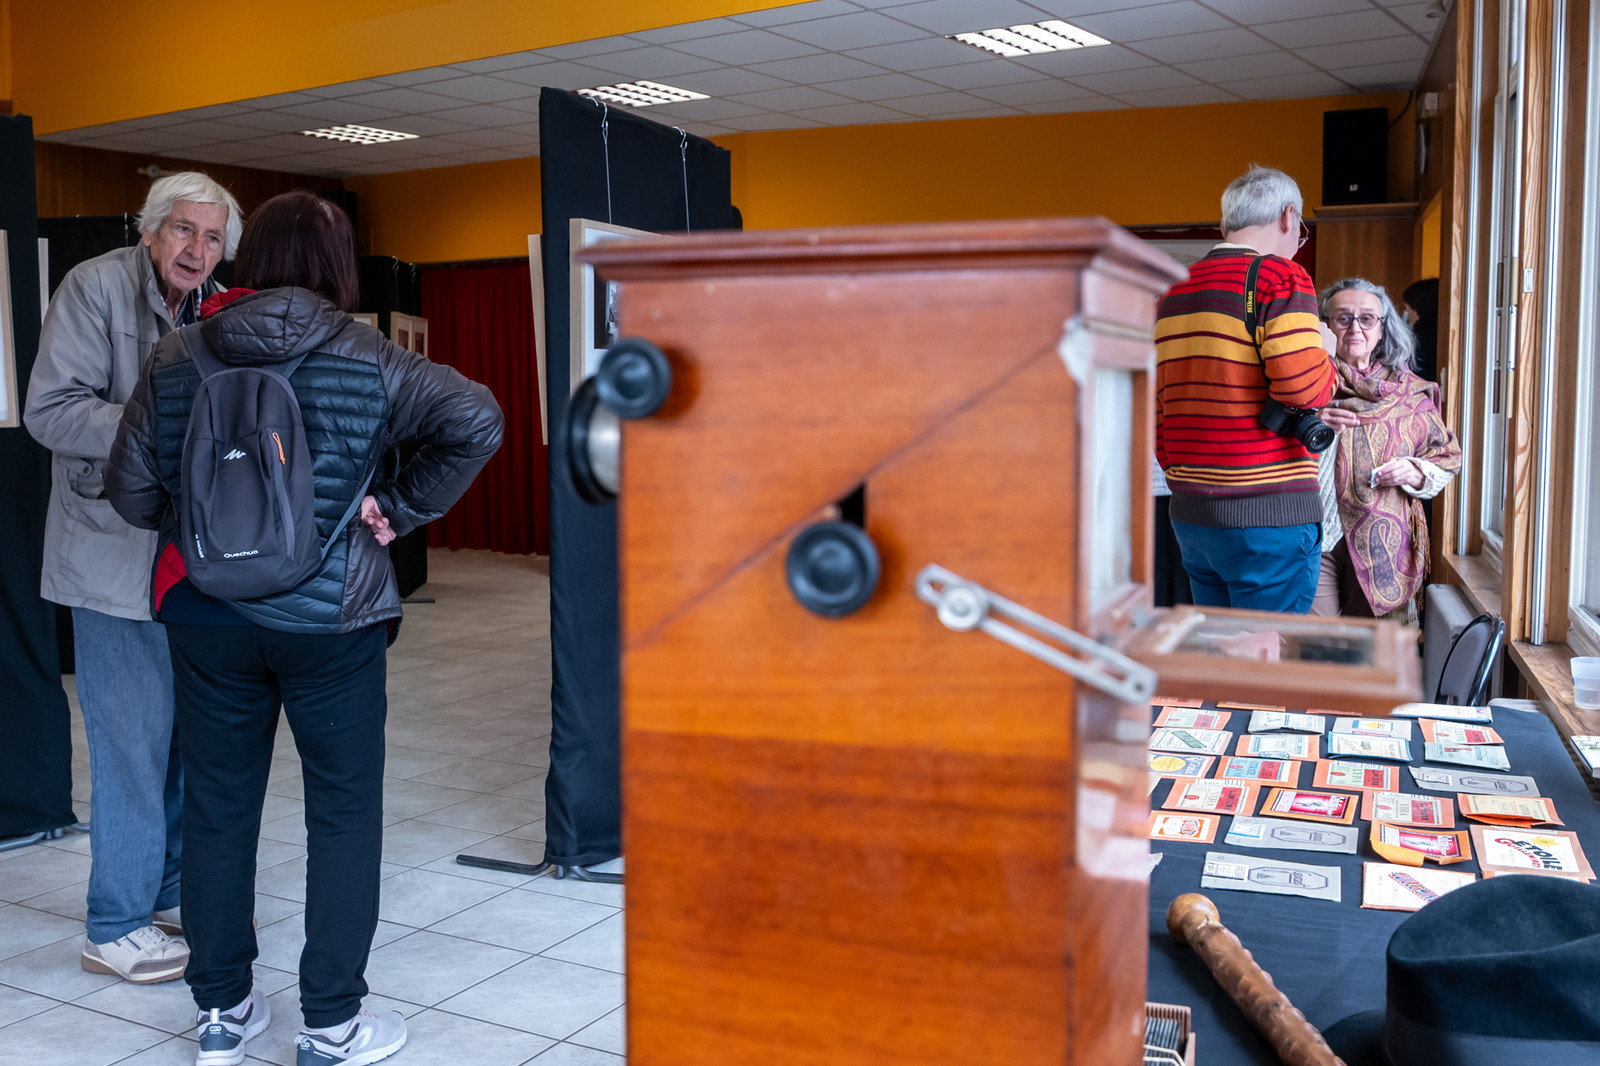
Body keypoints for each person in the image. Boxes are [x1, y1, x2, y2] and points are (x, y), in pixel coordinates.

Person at [105, 191, 504, 1066]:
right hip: (334, 620)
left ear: (246, 259)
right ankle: (330, 1023)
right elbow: (479, 419)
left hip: (207, 618)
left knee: (216, 809)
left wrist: (202, 519)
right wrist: (395, 507)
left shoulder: (177, 356)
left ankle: (221, 1014)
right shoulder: (367, 355)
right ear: (338, 267)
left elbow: (129, 492)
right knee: (345, 813)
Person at [24, 171, 242, 983]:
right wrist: (166, 423)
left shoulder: (213, 302)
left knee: (185, 741)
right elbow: (50, 411)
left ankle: (170, 894)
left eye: (213, 237)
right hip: (110, 558)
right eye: (185, 231)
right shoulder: (93, 288)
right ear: (151, 231)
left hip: (188, 565)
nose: (198, 250)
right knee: (131, 750)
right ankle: (113, 924)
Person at [1155, 165, 1338, 613]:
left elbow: (1159, 405)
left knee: (1224, 663)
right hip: (1266, 517)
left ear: (1225, 226)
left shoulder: (1172, 292)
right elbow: (1302, 391)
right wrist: (1326, 352)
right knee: (1266, 667)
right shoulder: (1281, 277)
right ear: (1288, 217)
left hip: (1193, 513)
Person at [1310, 278, 1460, 620]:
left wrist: (1416, 471)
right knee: (1314, 648)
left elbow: (1446, 456)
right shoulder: (1303, 388)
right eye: (1342, 318)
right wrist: (1310, 426)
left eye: (1367, 319)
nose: (1354, 328)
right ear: (1325, 326)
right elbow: (1268, 451)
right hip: (1314, 536)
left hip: (1384, 547)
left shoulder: (1409, 393)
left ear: (1383, 329)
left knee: (1374, 653)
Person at [1401, 277, 1439, 384]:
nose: (1406, 314)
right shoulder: (1436, 336)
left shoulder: (1423, 345)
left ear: (1419, 309)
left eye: (1407, 308)